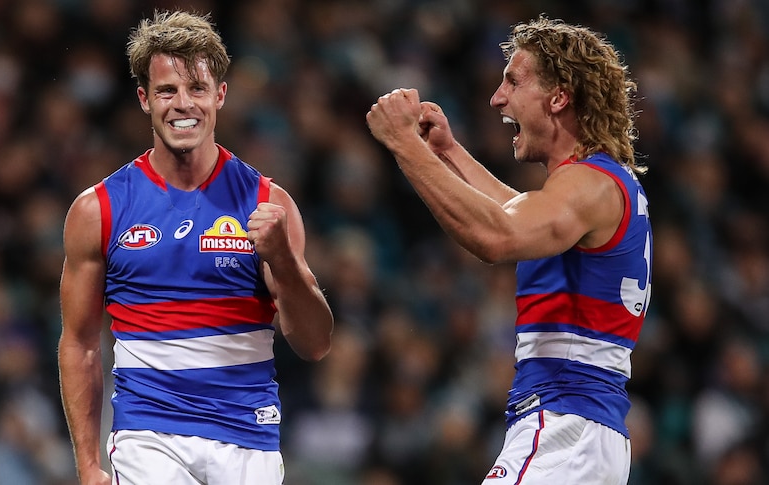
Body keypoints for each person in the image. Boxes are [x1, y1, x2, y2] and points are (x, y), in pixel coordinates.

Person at [366, 16, 651, 485]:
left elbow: (497, 237)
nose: (497, 98)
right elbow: (518, 212)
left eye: (513, 81)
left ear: (559, 97)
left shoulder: (588, 185)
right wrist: (448, 154)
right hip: (588, 432)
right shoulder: (601, 185)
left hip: (564, 425)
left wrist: (401, 144)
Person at [57, 10, 333, 485]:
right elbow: (80, 344)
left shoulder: (269, 204)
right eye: (167, 90)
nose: (183, 104)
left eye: (197, 89)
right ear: (144, 98)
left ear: (220, 95)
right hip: (149, 440)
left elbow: (315, 344)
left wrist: (283, 262)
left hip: (249, 438)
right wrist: (87, 467)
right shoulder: (98, 210)